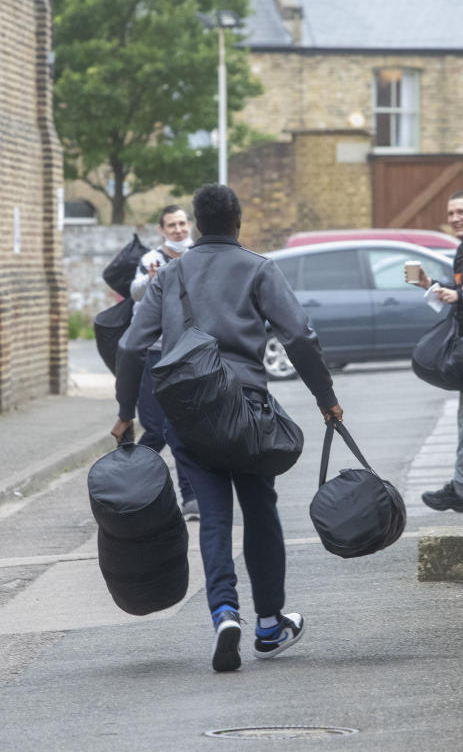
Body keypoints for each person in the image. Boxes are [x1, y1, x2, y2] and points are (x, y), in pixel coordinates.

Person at [111, 183, 344, 673]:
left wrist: (126, 410)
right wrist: (326, 400)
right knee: (260, 513)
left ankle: (223, 613)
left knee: (214, 518)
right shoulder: (259, 268)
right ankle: (268, 623)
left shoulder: (169, 276)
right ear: (237, 221)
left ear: (195, 224)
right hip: (247, 412)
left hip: (188, 417)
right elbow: (299, 336)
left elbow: (132, 346)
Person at [411, 190, 463, 515]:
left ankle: (460, 489)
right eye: (451, 213)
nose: (455, 219)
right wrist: (431, 284)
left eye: (462, 212)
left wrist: (459, 298)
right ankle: (461, 488)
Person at [129, 205, 198, 520]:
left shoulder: (199, 256)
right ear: (161, 230)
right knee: (156, 428)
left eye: (182, 223)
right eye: (172, 225)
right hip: (155, 354)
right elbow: (135, 295)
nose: (179, 229)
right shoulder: (151, 261)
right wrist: (152, 281)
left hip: (188, 353)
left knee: (182, 428)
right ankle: (126, 478)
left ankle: (191, 497)